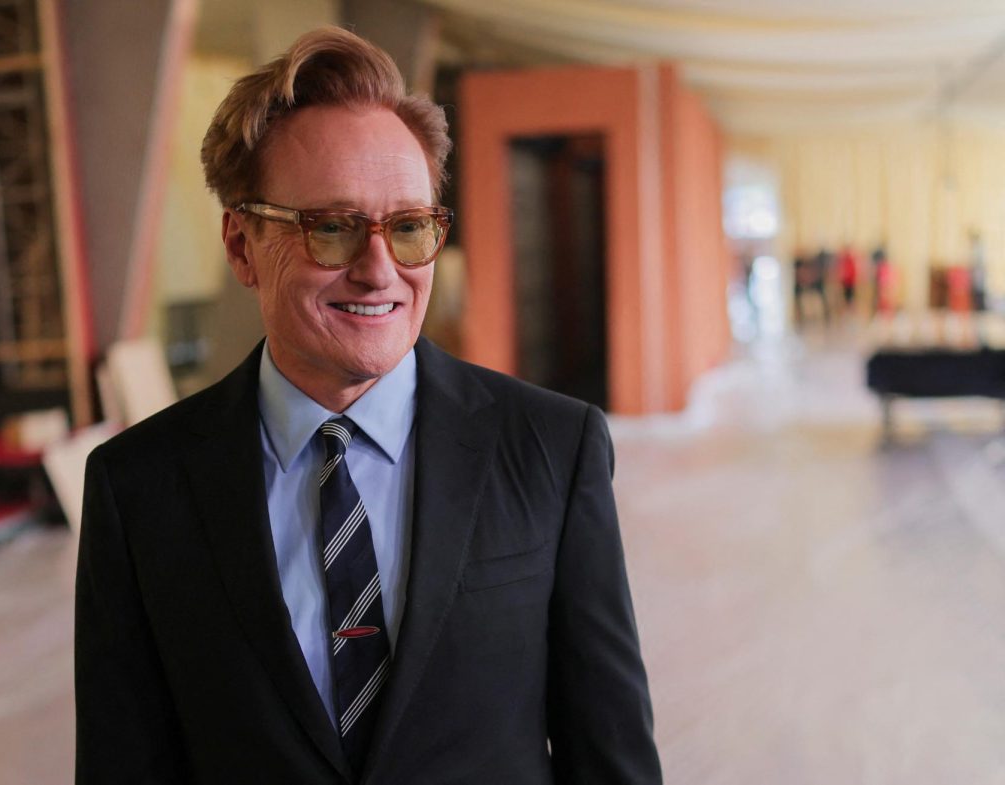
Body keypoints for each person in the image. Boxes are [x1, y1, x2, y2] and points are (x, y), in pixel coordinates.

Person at [75, 26, 661, 785]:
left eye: (409, 227)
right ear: (241, 244)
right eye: (332, 228)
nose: (379, 270)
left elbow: (611, 757)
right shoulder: (139, 486)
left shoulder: (552, 447)